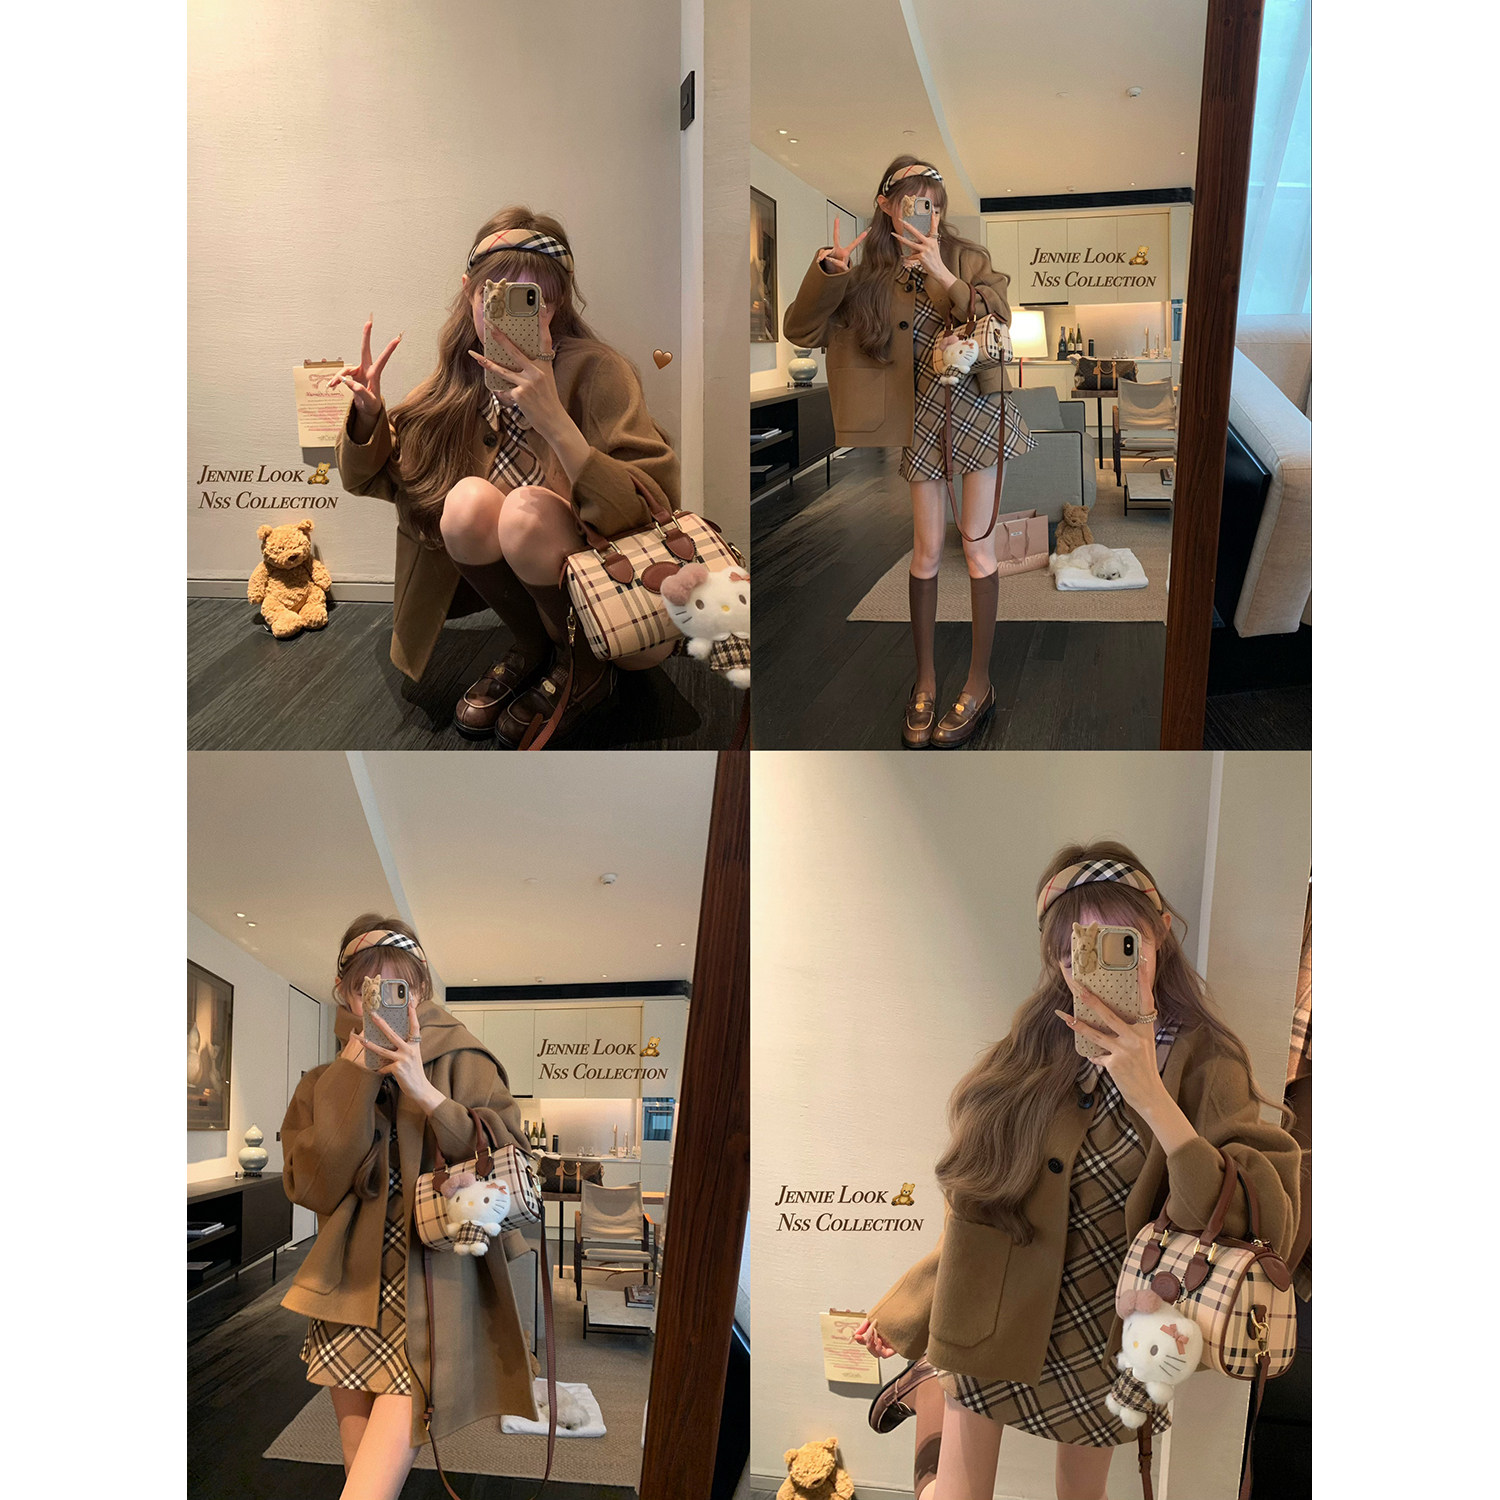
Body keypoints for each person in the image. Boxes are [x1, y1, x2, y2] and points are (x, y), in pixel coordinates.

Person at [855, 842, 1300, 1500]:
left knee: (1081, 1494)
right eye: (1074, 951)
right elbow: (981, 1208)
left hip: (1110, 1330)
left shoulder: (1207, 1060)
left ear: (1160, 934)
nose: (1091, 965)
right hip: (996, 1312)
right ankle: (933, 1391)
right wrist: (913, 1305)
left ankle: (929, 1391)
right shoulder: (1034, 1048)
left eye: (1119, 942)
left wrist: (1151, 1095)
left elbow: (1247, 1219)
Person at [333, 207, 679, 747]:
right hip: (533, 602)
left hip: (617, 600)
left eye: (532, 298)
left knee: (525, 511)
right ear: (468, 292)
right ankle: (535, 648)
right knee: (466, 502)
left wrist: (555, 420)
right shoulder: (456, 384)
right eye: (494, 294)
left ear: (555, 304)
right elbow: (374, 482)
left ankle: (584, 664)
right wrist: (368, 418)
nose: (508, 313)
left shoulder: (598, 370)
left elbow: (650, 503)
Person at [279, 915, 537, 1500]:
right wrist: (351, 1081)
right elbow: (312, 1188)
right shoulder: (323, 1081)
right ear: (345, 993)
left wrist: (425, 1092)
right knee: (360, 1467)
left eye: (401, 986)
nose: (386, 1001)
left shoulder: (465, 1060)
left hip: (434, 1284)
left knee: (369, 1482)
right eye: (368, 987)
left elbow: (509, 1158)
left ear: (420, 989)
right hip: (351, 1287)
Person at [783, 156, 1037, 750]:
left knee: (977, 546)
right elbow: (800, 331)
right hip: (921, 419)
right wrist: (828, 273)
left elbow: (999, 318)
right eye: (914, 203)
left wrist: (943, 272)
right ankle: (924, 681)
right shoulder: (863, 273)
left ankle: (978, 683)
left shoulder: (965, 256)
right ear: (886, 205)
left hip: (976, 408)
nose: (926, 215)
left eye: (934, 205)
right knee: (924, 553)